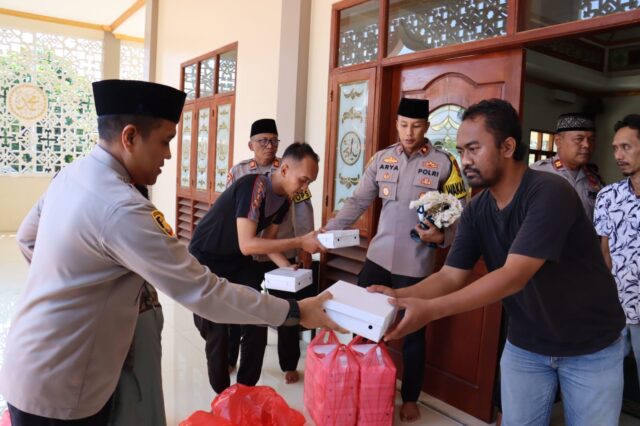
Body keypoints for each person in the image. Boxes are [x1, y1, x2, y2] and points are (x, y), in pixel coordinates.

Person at [0, 80, 338, 426]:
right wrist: (295, 311)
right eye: (165, 141)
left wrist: (68, 291)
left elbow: (27, 239)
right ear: (130, 137)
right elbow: (205, 292)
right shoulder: (123, 209)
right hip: (63, 385)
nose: (169, 155)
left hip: (28, 360)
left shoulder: (71, 174)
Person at [370, 98, 626, 426]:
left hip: (592, 345)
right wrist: (399, 297)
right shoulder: (478, 209)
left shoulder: (549, 192)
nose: (465, 161)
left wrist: (430, 311)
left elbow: (513, 276)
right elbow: (450, 275)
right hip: (527, 343)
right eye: (462, 151)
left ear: (507, 146)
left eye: (474, 149)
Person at [323, 97, 467, 422]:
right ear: (397, 123)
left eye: (416, 126)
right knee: (363, 325)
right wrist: (328, 232)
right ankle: (361, 384)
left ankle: (411, 396)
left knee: (413, 333)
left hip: (416, 265)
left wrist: (444, 238)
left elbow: (464, 213)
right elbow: (358, 200)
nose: (409, 132)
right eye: (403, 124)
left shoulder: (445, 163)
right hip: (377, 258)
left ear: (426, 128)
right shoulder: (382, 158)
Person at [189, 142, 325, 395]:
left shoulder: (284, 201)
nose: (305, 188)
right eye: (303, 180)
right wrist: (299, 241)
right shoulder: (255, 186)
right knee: (217, 331)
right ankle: (223, 397)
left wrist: (287, 267)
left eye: (310, 183)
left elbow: (268, 243)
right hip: (206, 258)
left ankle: (245, 392)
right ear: (284, 169)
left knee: (258, 318)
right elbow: (248, 243)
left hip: (236, 260)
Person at [225, 118, 314, 384]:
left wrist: (305, 250)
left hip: (279, 251)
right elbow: (228, 210)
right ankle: (231, 357)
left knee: (286, 308)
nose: (269, 146)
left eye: (274, 141)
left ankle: (289, 363)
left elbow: (303, 212)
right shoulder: (240, 171)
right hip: (246, 253)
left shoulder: (288, 170)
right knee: (238, 305)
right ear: (250, 144)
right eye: (263, 140)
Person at [107, 184, 165, 426]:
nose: (166, 155)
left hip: (139, 314)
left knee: (139, 390)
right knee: (132, 392)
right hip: (130, 314)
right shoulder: (114, 202)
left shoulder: (130, 206)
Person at [594, 114, 640, 386]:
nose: (618, 155)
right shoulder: (608, 197)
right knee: (603, 381)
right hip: (615, 309)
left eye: (626, 147)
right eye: (615, 148)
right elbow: (605, 253)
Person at [530, 112, 604, 221]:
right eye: (579, 139)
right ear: (558, 141)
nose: (587, 145)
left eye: (591, 139)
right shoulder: (537, 173)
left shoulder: (595, 180)